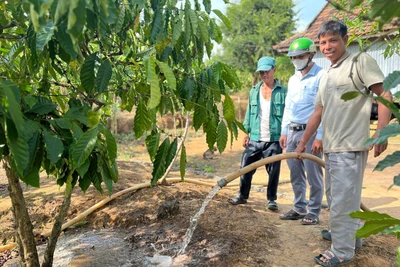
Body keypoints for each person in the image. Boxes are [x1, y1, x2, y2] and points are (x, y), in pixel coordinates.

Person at [295, 20, 392, 266]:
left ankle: (342, 251)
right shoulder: (326, 73)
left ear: (345, 40)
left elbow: (385, 94)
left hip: (351, 145)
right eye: (323, 42)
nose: (327, 46)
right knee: (338, 196)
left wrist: (382, 132)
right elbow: (317, 112)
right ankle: (348, 235)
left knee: (343, 199)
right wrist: (303, 142)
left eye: (333, 40)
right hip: (332, 146)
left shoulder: (359, 62)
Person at [228, 56, 287, 211]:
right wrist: (246, 132)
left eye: (267, 71)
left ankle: (271, 199)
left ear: (274, 69)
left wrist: (284, 133)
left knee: (273, 171)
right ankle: (242, 196)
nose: (264, 75)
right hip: (255, 138)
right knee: (245, 166)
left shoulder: (283, 92)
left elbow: (288, 115)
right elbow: (249, 113)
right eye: (261, 72)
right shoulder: (254, 91)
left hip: (274, 139)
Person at [279, 37, 324, 225]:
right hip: (293, 131)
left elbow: (324, 109)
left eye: (300, 56)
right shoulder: (293, 79)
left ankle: (313, 212)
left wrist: (319, 136)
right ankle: (299, 207)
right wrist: (284, 130)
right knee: (295, 172)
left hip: (311, 132)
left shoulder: (322, 76)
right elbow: (289, 106)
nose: (296, 59)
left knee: (313, 174)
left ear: (311, 54)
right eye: (293, 57)